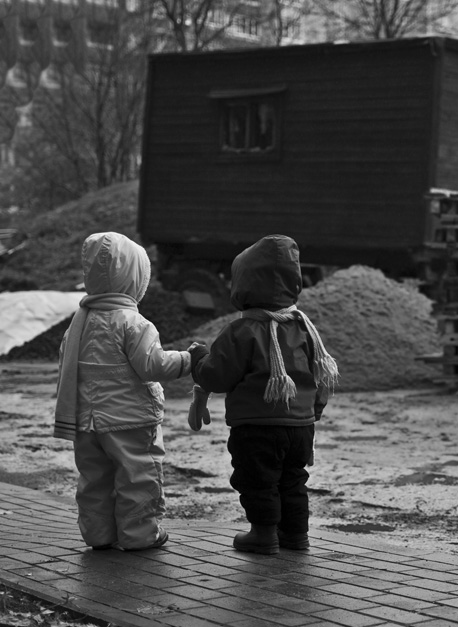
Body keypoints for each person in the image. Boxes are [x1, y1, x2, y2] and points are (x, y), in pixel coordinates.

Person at [188, 234, 337, 555]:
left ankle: (263, 534)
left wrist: (198, 358)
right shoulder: (304, 328)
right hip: (300, 426)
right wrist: (315, 411)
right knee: (293, 480)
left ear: (242, 285)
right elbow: (319, 374)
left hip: (256, 426)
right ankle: (296, 537)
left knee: (258, 480)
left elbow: (217, 375)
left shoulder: (242, 330)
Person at [53, 232, 192, 551]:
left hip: (86, 423)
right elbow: (153, 366)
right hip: (129, 422)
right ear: (135, 279)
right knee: (137, 477)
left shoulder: (78, 325)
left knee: (94, 480)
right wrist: (187, 360)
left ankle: (99, 535)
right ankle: (140, 536)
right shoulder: (133, 322)